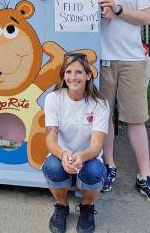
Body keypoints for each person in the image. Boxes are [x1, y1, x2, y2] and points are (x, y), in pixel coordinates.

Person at [58, 0, 150, 207]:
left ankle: (145, 176)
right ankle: (109, 167)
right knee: (102, 118)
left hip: (132, 57)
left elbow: (146, 18)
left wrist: (117, 8)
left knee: (136, 118)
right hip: (99, 59)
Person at [43, 51, 109, 233]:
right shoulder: (53, 99)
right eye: (68, 72)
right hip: (61, 156)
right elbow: (50, 139)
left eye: (79, 72)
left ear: (88, 75)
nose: (73, 77)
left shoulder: (100, 104)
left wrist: (81, 156)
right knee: (52, 166)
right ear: (63, 75)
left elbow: (96, 146)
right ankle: (61, 205)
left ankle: (87, 206)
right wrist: (64, 155)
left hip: (87, 158)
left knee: (95, 171)